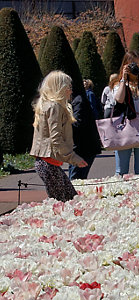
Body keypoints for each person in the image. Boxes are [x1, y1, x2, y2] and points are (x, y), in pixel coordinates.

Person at [29, 71, 87, 202]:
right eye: (68, 87)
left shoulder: (45, 105)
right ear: (59, 88)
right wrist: (74, 158)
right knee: (65, 202)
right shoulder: (55, 107)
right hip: (49, 163)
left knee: (68, 198)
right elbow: (56, 138)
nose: (70, 91)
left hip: (45, 162)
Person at [105, 53, 139, 176]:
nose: (134, 68)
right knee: (121, 172)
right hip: (123, 132)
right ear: (124, 66)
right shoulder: (118, 84)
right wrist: (124, 79)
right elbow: (119, 98)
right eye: (131, 65)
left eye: (137, 65)